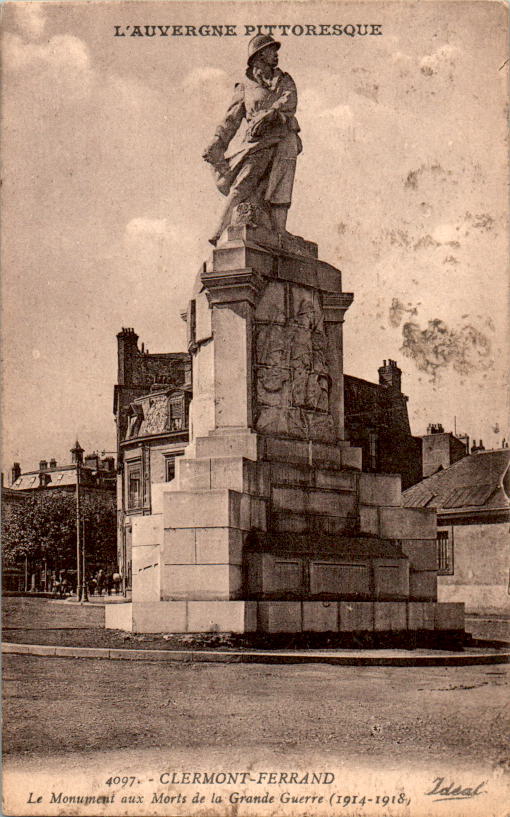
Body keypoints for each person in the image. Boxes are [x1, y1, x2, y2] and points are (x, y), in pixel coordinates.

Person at [203, 34, 302, 245]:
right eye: (271, 50)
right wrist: (217, 141)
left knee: (282, 182)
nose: (276, 55)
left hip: (284, 138)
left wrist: (271, 113)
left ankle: (279, 229)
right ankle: (219, 229)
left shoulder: (284, 80)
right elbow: (230, 120)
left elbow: (289, 99)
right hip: (257, 142)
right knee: (244, 181)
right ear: (260, 55)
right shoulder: (245, 87)